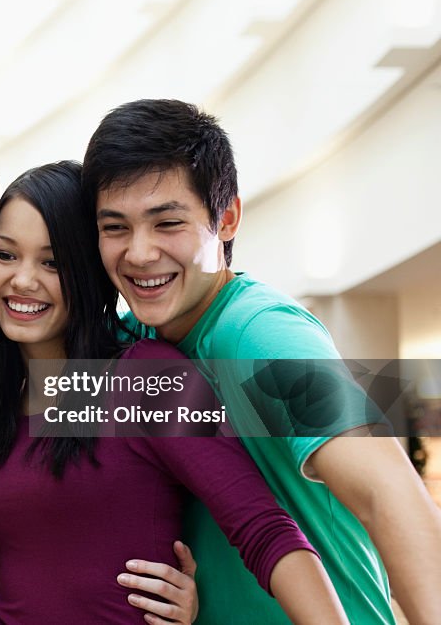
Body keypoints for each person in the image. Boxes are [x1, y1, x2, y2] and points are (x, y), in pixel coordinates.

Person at [83, 98, 441, 624]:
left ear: (225, 218)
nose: (138, 253)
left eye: (167, 223)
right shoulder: (134, 341)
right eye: (115, 227)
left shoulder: (258, 333)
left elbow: (388, 493)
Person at [0, 161, 346, 624]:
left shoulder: (142, 379)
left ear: (88, 271)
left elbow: (263, 530)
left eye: (52, 262)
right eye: (5, 255)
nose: (23, 280)